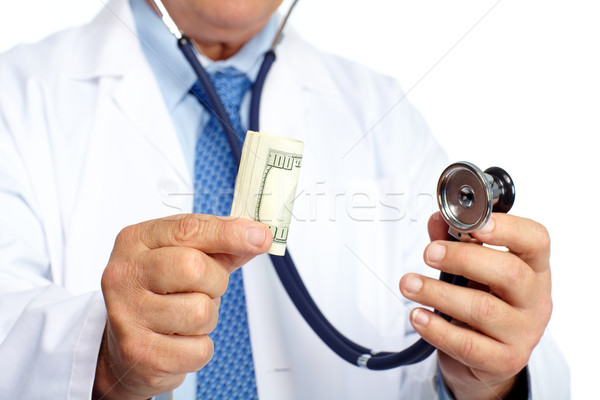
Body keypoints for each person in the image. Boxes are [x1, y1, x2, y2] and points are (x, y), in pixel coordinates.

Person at [0, 0, 570, 399]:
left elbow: (444, 358)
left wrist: (487, 381)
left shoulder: (380, 112)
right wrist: (98, 360)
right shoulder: (18, 98)